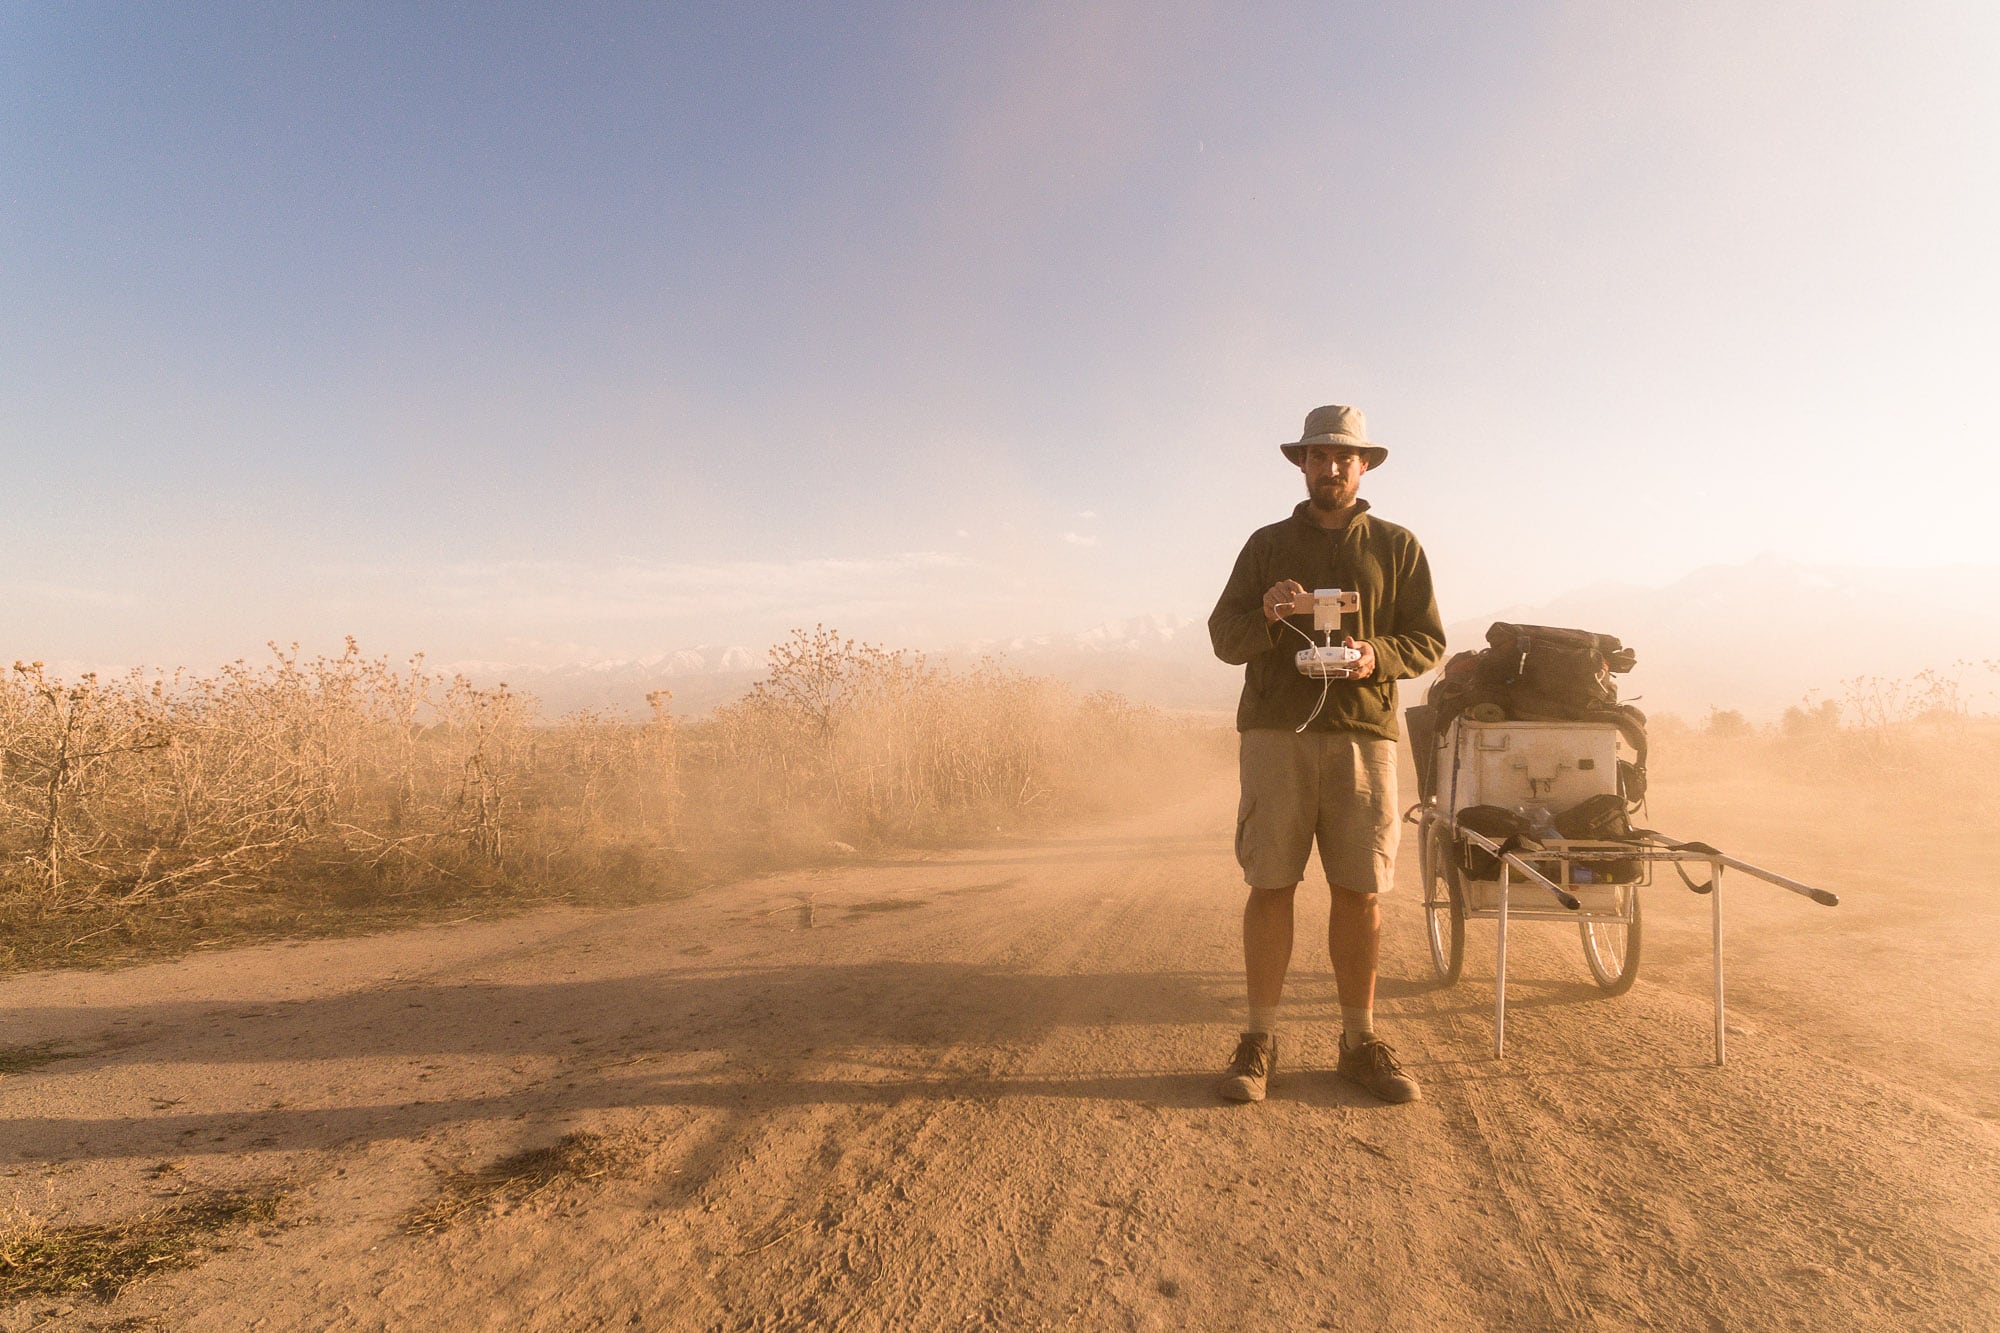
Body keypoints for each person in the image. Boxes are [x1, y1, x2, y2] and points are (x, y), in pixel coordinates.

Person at [1207, 404, 1444, 1104]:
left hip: (1363, 735)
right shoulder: (1266, 546)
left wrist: (1376, 655)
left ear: (1364, 465)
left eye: (1345, 456)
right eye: (1319, 455)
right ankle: (1258, 1041)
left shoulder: (1397, 547)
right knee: (1270, 882)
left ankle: (1358, 1040)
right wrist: (1273, 613)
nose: (1332, 467)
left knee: (1359, 888)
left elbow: (1428, 642)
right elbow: (1226, 637)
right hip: (1277, 734)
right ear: (1301, 463)